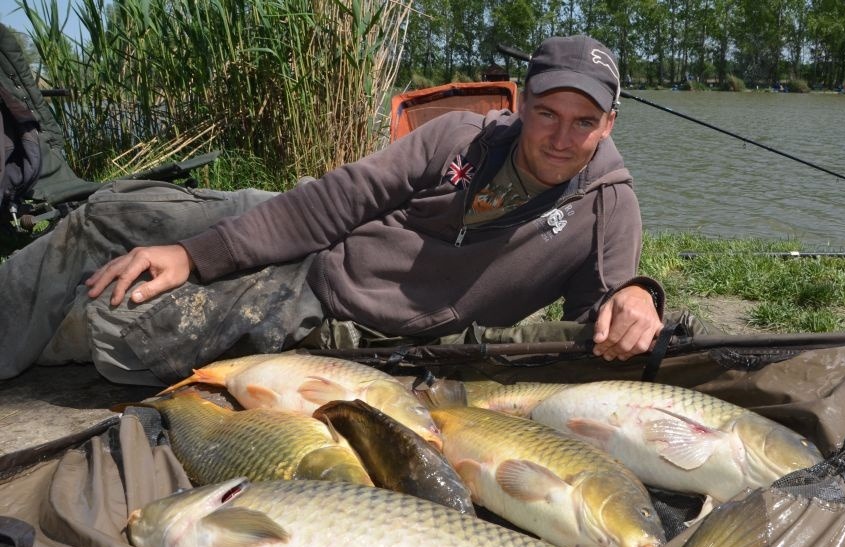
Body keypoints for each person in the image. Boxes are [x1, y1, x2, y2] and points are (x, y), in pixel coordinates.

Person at [0, 34, 665, 386]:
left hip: (330, 294)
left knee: (122, 335)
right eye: (546, 113)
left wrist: (638, 293)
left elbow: (603, 321)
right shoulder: (462, 135)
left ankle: (60, 325)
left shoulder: (609, 206)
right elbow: (332, 202)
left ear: (608, 124)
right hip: (312, 227)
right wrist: (190, 254)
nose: (560, 135)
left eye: (582, 121)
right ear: (521, 103)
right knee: (112, 215)